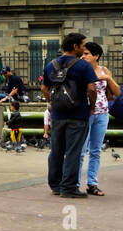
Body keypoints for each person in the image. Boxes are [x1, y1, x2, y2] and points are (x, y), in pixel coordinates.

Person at [41, 32, 99, 197]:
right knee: (73, 151)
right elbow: (91, 89)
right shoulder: (83, 66)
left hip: (58, 115)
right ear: (75, 47)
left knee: (56, 151)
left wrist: (51, 103)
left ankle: (56, 185)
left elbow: (44, 88)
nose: (84, 48)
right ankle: (69, 187)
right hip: (78, 114)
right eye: (83, 45)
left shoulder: (50, 65)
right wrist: (91, 106)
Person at [78, 41, 120, 196]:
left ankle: (92, 183)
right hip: (85, 114)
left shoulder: (103, 70)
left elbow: (117, 92)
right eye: (82, 53)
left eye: (86, 54)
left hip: (102, 114)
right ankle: (75, 183)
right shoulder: (80, 70)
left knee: (96, 150)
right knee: (81, 151)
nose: (83, 56)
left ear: (96, 56)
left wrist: (107, 78)